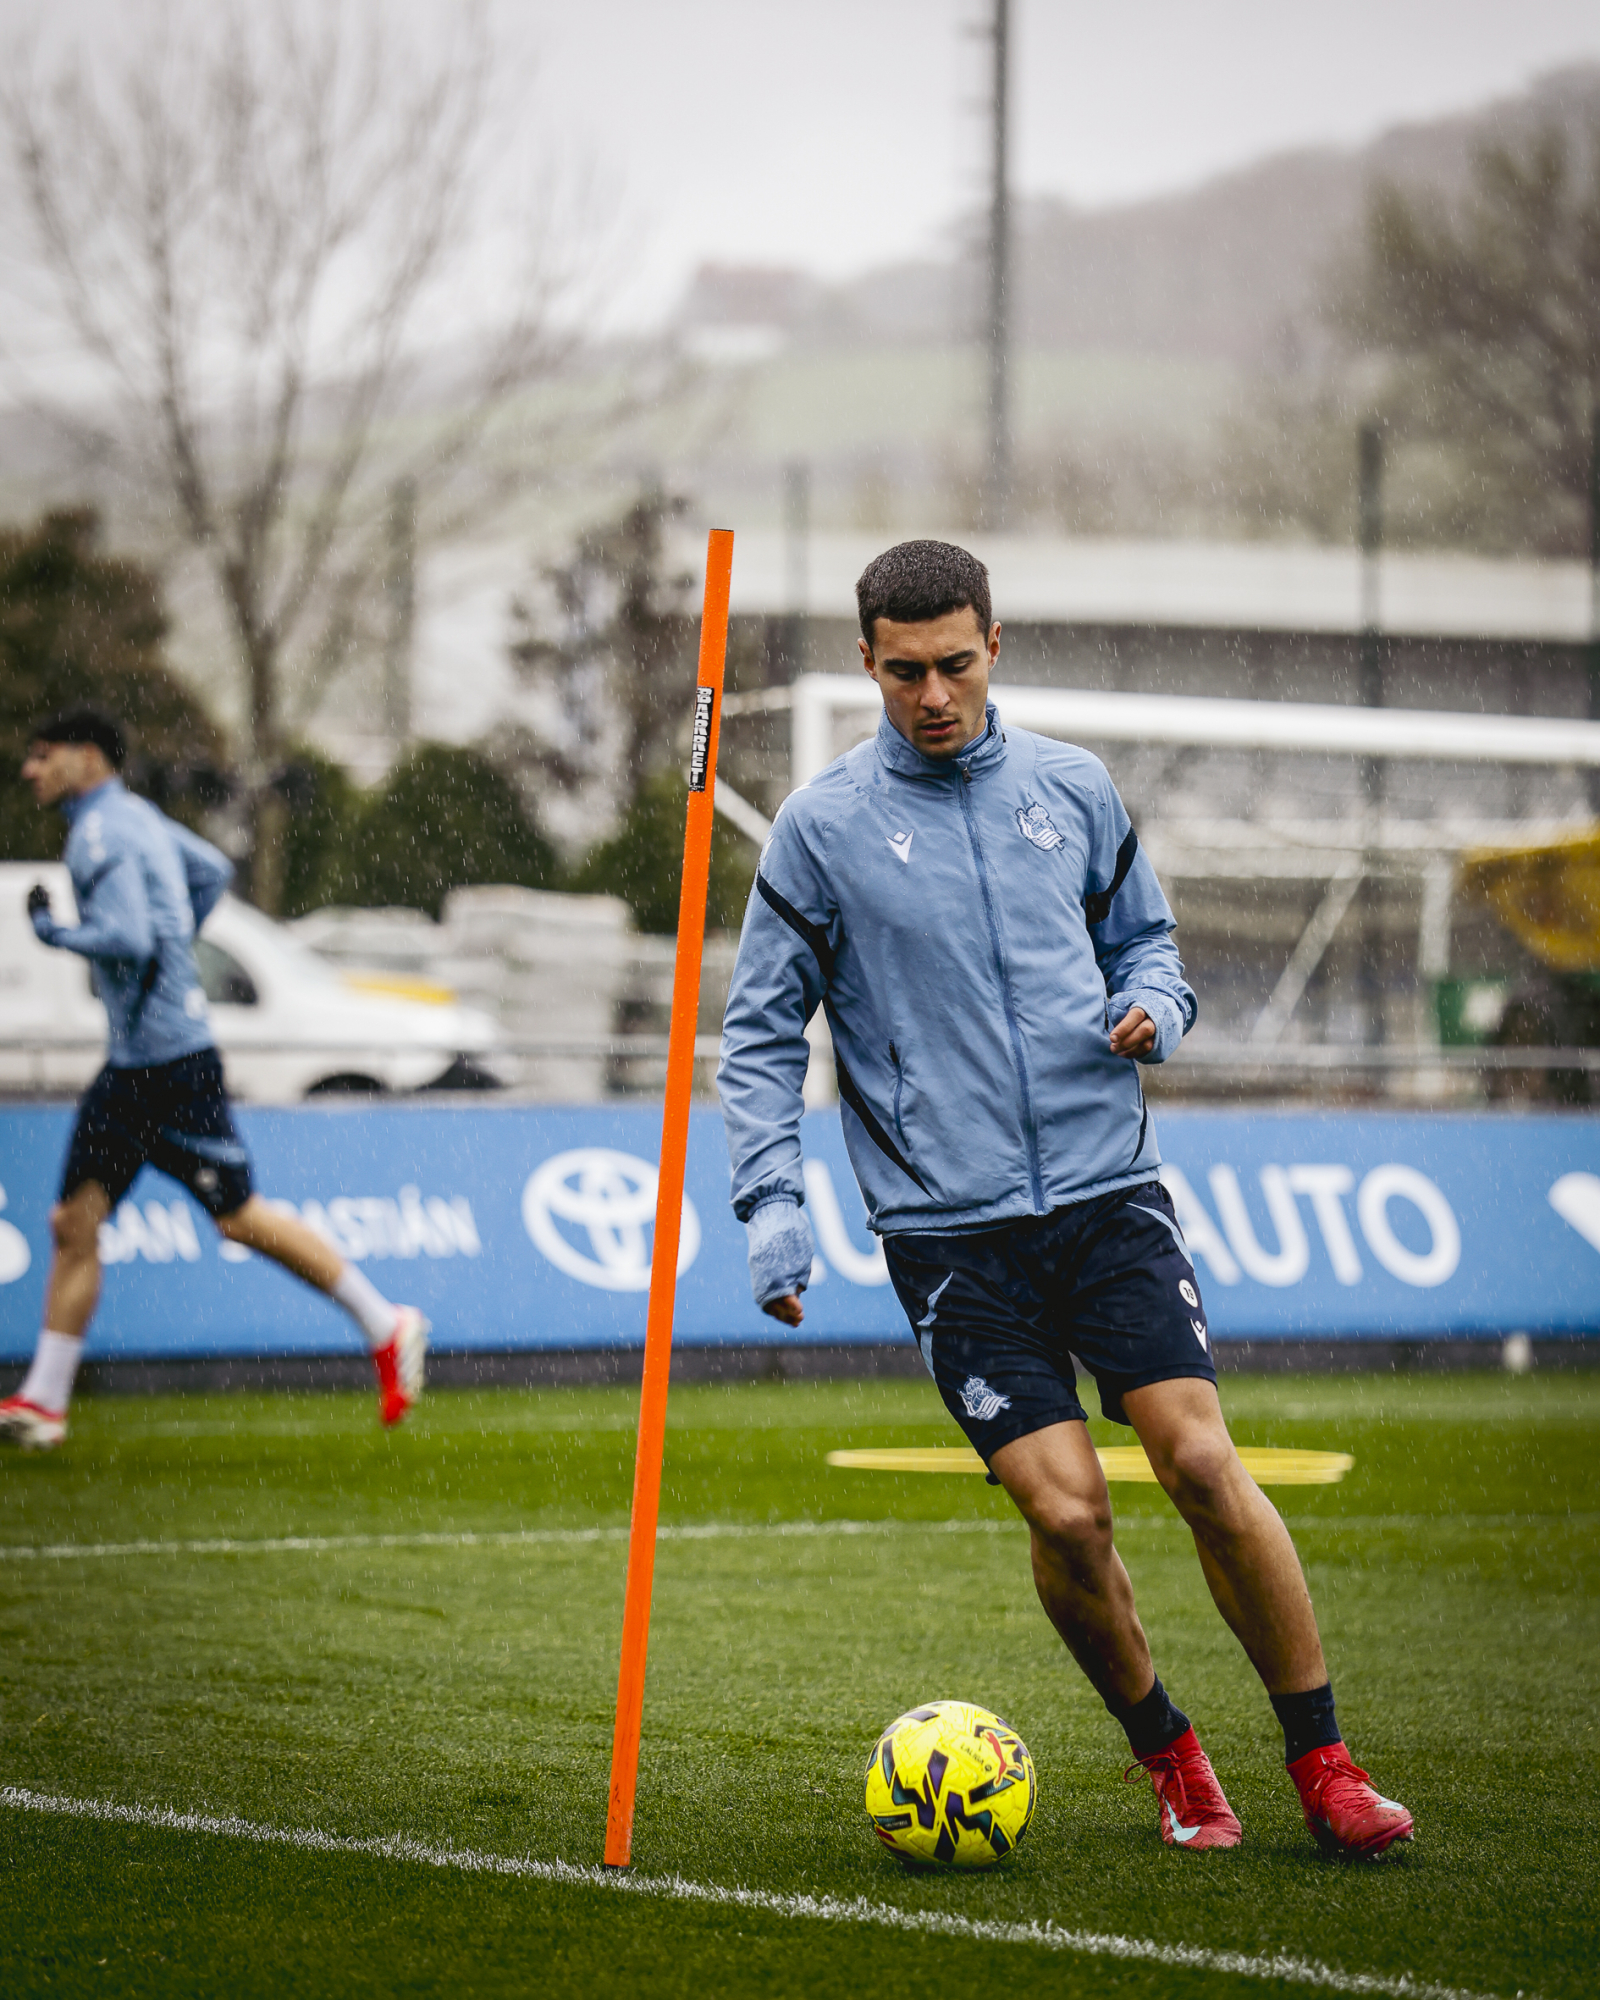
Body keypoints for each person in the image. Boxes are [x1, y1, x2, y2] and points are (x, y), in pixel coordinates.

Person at [717, 541, 1412, 1859]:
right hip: (949, 1233)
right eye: (906, 670)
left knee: (1203, 1461)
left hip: (1106, 1196)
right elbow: (759, 1035)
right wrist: (771, 1203)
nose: (934, 694)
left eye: (957, 664)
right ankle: (1175, 1760)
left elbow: (1147, 941)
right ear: (867, 662)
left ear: (997, 645)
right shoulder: (823, 829)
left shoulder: (1071, 789)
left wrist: (1159, 1003)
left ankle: (1324, 1766)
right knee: (1067, 1511)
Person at [1, 708, 427, 1450]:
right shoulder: (136, 817)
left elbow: (128, 936)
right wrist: (176, 938)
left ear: (87, 756)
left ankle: (386, 1321)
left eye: (43, 755)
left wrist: (55, 934)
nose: (31, 771)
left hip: (166, 1069)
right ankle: (44, 1401)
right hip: (141, 1064)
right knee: (75, 1222)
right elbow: (210, 872)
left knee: (237, 1217)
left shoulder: (99, 831)